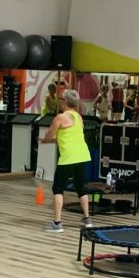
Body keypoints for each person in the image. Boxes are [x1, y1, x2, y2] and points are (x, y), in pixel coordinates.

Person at [39, 89, 93, 233]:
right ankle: (87, 220)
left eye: (60, 98)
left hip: (68, 157)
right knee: (80, 187)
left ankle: (57, 223)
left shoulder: (60, 118)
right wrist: (48, 141)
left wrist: (44, 140)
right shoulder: (79, 117)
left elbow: (50, 136)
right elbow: (67, 138)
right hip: (82, 155)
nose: (59, 100)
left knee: (58, 188)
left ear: (64, 102)